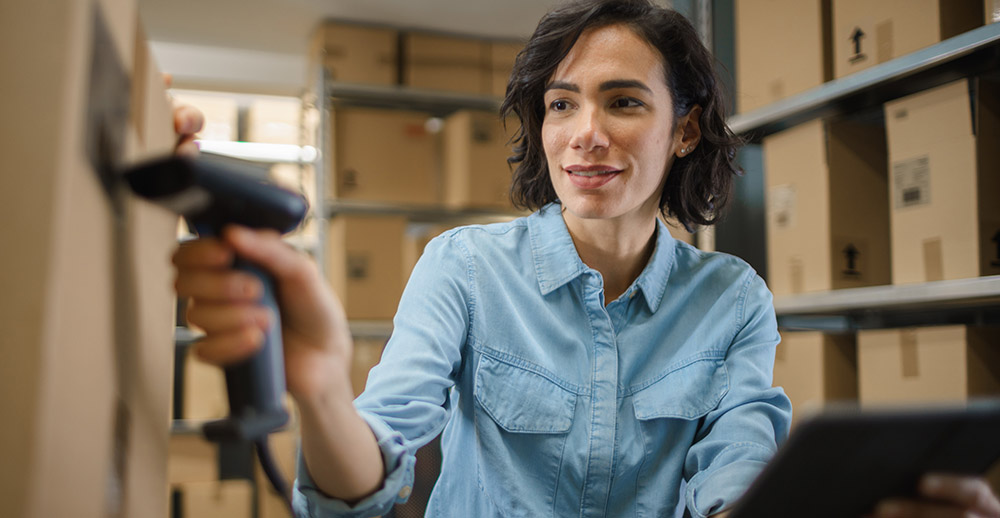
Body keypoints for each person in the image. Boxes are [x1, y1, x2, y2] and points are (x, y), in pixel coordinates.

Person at [170, 1, 1000, 517]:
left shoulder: (732, 298)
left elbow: (734, 481)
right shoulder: (462, 268)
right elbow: (357, 491)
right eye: (560, 104)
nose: (584, 133)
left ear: (684, 129)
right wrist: (317, 388)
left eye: (624, 101)